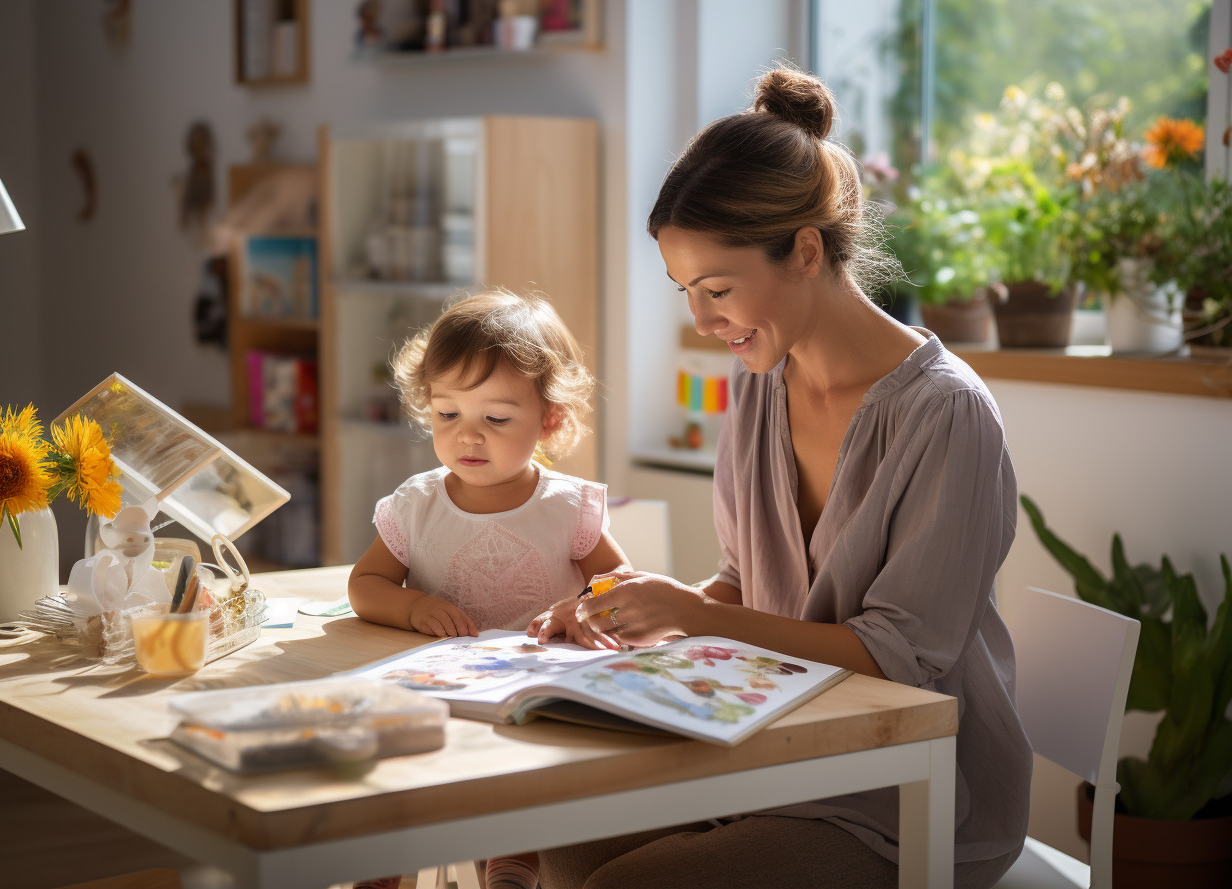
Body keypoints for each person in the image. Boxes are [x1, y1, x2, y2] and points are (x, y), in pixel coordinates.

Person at [534, 67, 1032, 889]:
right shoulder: (762, 386)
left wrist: (692, 616)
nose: (701, 320)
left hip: (903, 793)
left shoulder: (947, 415)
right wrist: (634, 607)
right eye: (688, 291)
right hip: (770, 750)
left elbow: (899, 657)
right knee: (562, 836)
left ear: (805, 250)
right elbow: (747, 584)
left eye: (719, 289)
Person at [348, 288, 631, 889]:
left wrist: (583, 606)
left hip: (530, 695)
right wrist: (413, 605)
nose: (467, 437)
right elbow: (366, 584)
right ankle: (381, 867)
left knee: (517, 776)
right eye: (448, 415)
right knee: (396, 775)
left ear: (550, 420)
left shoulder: (567, 507)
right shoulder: (417, 504)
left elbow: (618, 586)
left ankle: (511, 865)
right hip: (433, 692)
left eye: (496, 419)